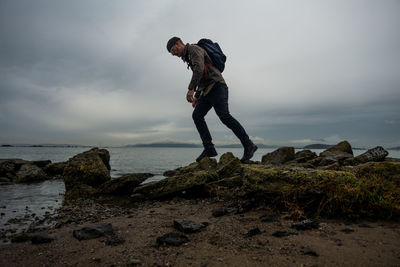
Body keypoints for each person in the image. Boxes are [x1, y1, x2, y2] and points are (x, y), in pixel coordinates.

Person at [167, 36, 258, 163]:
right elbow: (202, 75)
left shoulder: (193, 49)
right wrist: (197, 97)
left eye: (172, 50)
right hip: (207, 90)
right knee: (197, 116)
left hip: (217, 86)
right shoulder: (188, 56)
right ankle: (209, 148)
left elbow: (198, 69)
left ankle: (249, 145)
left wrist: (191, 89)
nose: (173, 54)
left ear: (178, 43)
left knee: (225, 116)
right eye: (171, 52)